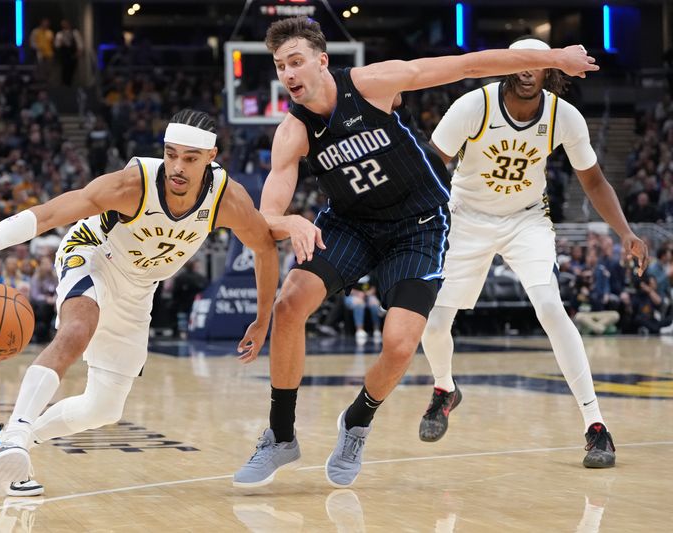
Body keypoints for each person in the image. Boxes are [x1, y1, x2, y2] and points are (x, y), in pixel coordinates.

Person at [233, 16, 599, 488]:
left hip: (418, 225)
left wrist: (553, 58)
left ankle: (358, 422)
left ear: (322, 62)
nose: (288, 73)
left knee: (401, 343)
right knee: (289, 306)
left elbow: (466, 64)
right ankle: (281, 436)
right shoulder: (293, 131)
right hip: (351, 226)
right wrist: (293, 220)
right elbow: (269, 215)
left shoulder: (370, 85)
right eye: (281, 65)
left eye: (296, 61)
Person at [0, 109, 279, 497]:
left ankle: (4, 444)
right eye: (171, 154)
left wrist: (263, 315)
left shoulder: (227, 199)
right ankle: (16, 431)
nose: (177, 167)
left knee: (103, 408)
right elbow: (52, 212)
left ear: (211, 156)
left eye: (190, 158)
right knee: (77, 329)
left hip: (139, 287)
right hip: (94, 255)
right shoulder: (134, 184)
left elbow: (265, 247)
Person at [418, 37, 649, 469]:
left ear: (547, 70)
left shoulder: (565, 117)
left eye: (535, 64)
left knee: (550, 307)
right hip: (467, 217)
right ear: (509, 65)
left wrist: (625, 232)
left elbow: (595, 181)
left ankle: (595, 426)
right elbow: (432, 167)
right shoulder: (474, 106)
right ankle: (445, 388)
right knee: (434, 320)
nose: (527, 70)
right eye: (520, 62)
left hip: (527, 219)